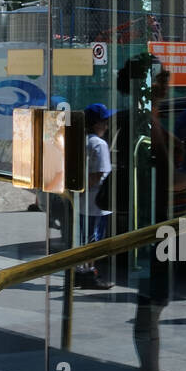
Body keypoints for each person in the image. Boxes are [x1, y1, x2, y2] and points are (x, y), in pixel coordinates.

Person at [76, 103, 114, 289]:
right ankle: (89, 272)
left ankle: (82, 270)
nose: (107, 125)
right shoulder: (99, 144)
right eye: (104, 121)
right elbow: (98, 174)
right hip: (96, 201)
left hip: (83, 201)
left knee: (84, 237)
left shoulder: (82, 140)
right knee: (94, 240)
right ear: (97, 123)